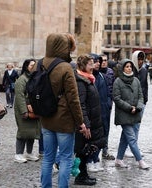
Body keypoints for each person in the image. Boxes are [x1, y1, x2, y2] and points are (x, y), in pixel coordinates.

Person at [40, 33, 89, 188]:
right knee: (66, 158)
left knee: (48, 158)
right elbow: (74, 99)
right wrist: (80, 122)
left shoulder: (39, 63)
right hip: (64, 122)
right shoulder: (65, 67)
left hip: (46, 119)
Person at [74, 54, 106, 185]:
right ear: (83, 66)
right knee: (83, 149)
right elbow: (81, 104)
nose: (93, 66)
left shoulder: (89, 79)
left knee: (87, 149)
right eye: (90, 64)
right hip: (86, 123)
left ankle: (84, 173)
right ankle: (81, 176)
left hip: (93, 121)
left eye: (93, 63)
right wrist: (85, 123)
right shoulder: (81, 82)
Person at [113, 58, 149, 170]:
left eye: (130, 67)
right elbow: (117, 98)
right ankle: (140, 161)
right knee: (132, 138)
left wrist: (138, 107)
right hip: (124, 114)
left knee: (125, 138)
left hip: (135, 113)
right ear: (123, 68)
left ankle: (119, 159)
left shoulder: (136, 81)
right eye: (127, 66)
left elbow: (140, 96)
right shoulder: (118, 81)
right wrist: (129, 108)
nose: (129, 69)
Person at [13, 59, 40, 163]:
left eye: (35, 65)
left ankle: (29, 153)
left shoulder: (34, 78)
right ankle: (18, 154)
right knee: (23, 132)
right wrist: (24, 111)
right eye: (31, 65)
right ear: (26, 66)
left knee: (32, 132)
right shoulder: (22, 79)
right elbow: (19, 96)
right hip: (23, 109)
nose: (33, 67)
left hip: (33, 110)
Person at [86, 53, 108, 172]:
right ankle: (89, 161)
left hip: (103, 112)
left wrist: (108, 105)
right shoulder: (87, 77)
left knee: (100, 138)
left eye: (99, 61)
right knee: (91, 139)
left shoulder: (101, 76)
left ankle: (95, 159)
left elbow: (107, 93)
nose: (98, 63)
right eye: (95, 61)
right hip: (92, 113)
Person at [123, 50, 148, 158]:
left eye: (142, 59)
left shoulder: (144, 71)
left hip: (141, 103)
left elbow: (145, 86)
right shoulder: (129, 70)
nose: (140, 62)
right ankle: (128, 148)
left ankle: (134, 146)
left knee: (136, 126)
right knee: (129, 127)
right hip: (130, 103)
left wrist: (144, 100)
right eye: (138, 59)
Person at [99, 54, 115, 160]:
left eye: (105, 60)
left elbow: (113, 87)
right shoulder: (96, 72)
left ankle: (105, 150)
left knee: (106, 127)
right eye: (102, 61)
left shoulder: (110, 72)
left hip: (107, 103)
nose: (104, 62)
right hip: (98, 103)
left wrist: (111, 101)